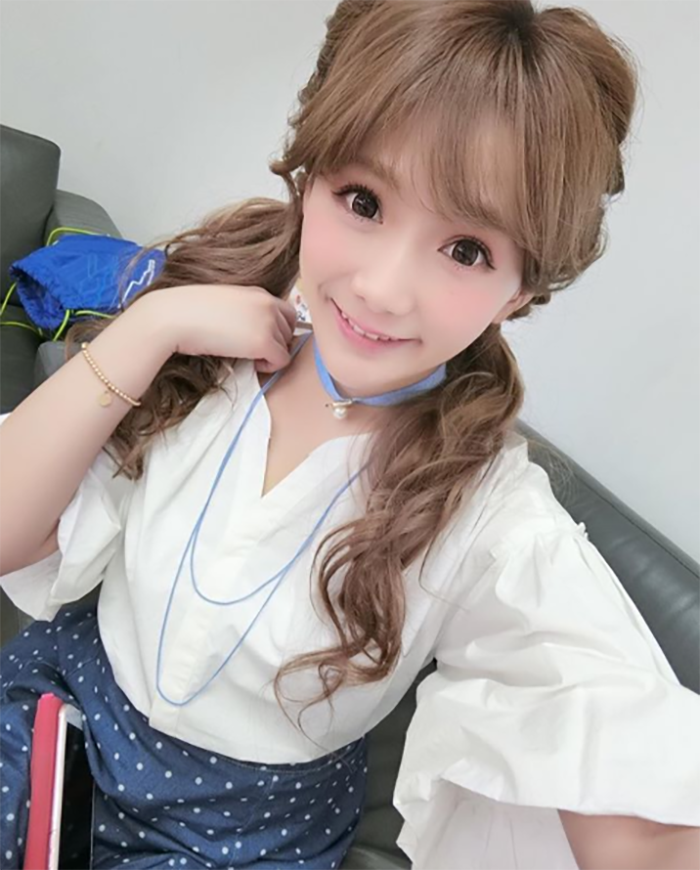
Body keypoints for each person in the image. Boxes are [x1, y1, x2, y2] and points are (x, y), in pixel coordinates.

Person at [1, 1, 699, 868]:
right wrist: (151, 330)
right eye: (363, 201)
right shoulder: (205, 330)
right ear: (309, 179)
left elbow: (623, 766)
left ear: (520, 291)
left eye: (467, 250)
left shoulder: (489, 513)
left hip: (240, 835)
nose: (381, 288)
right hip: (56, 716)